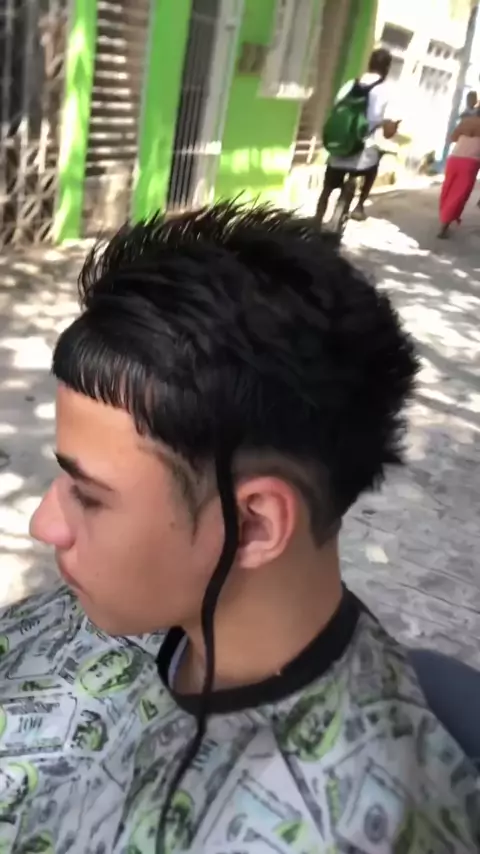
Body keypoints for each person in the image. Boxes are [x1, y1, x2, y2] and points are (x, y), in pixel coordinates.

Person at [0, 203, 478, 852]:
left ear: (252, 525)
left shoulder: (343, 826)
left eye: (88, 495)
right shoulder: (143, 596)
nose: (45, 524)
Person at [316, 47, 400, 226]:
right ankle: (359, 206)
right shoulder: (386, 90)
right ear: (387, 68)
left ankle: (316, 219)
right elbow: (388, 131)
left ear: (369, 64)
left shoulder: (350, 84)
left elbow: (337, 107)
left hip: (340, 145)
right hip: (363, 150)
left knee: (327, 187)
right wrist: (390, 126)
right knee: (374, 164)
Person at [438, 108, 480, 238]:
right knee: (459, 194)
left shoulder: (466, 121)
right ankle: (445, 224)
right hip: (470, 162)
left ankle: (444, 218)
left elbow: (453, 138)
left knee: (448, 189)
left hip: (454, 159)